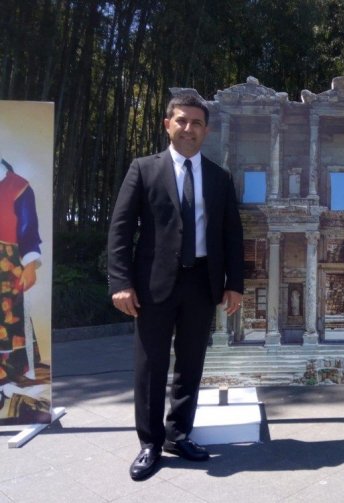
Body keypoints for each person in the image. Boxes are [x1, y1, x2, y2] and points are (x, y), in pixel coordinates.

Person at [108, 93, 244, 481]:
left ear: (206, 131)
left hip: (202, 282)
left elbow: (231, 234)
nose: (189, 128)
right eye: (181, 121)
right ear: (167, 124)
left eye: (196, 123)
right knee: (150, 364)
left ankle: (178, 434)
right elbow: (120, 230)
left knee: (190, 363)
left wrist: (234, 283)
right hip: (152, 285)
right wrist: (120, 282)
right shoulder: (143, 169)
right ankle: (150, 443)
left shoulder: (219, 177)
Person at [0, 155, 41, 391]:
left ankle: (10, 374)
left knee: (10, 317)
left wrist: (30, 266)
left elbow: (28, 229)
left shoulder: (19, 187)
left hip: (7, 267)